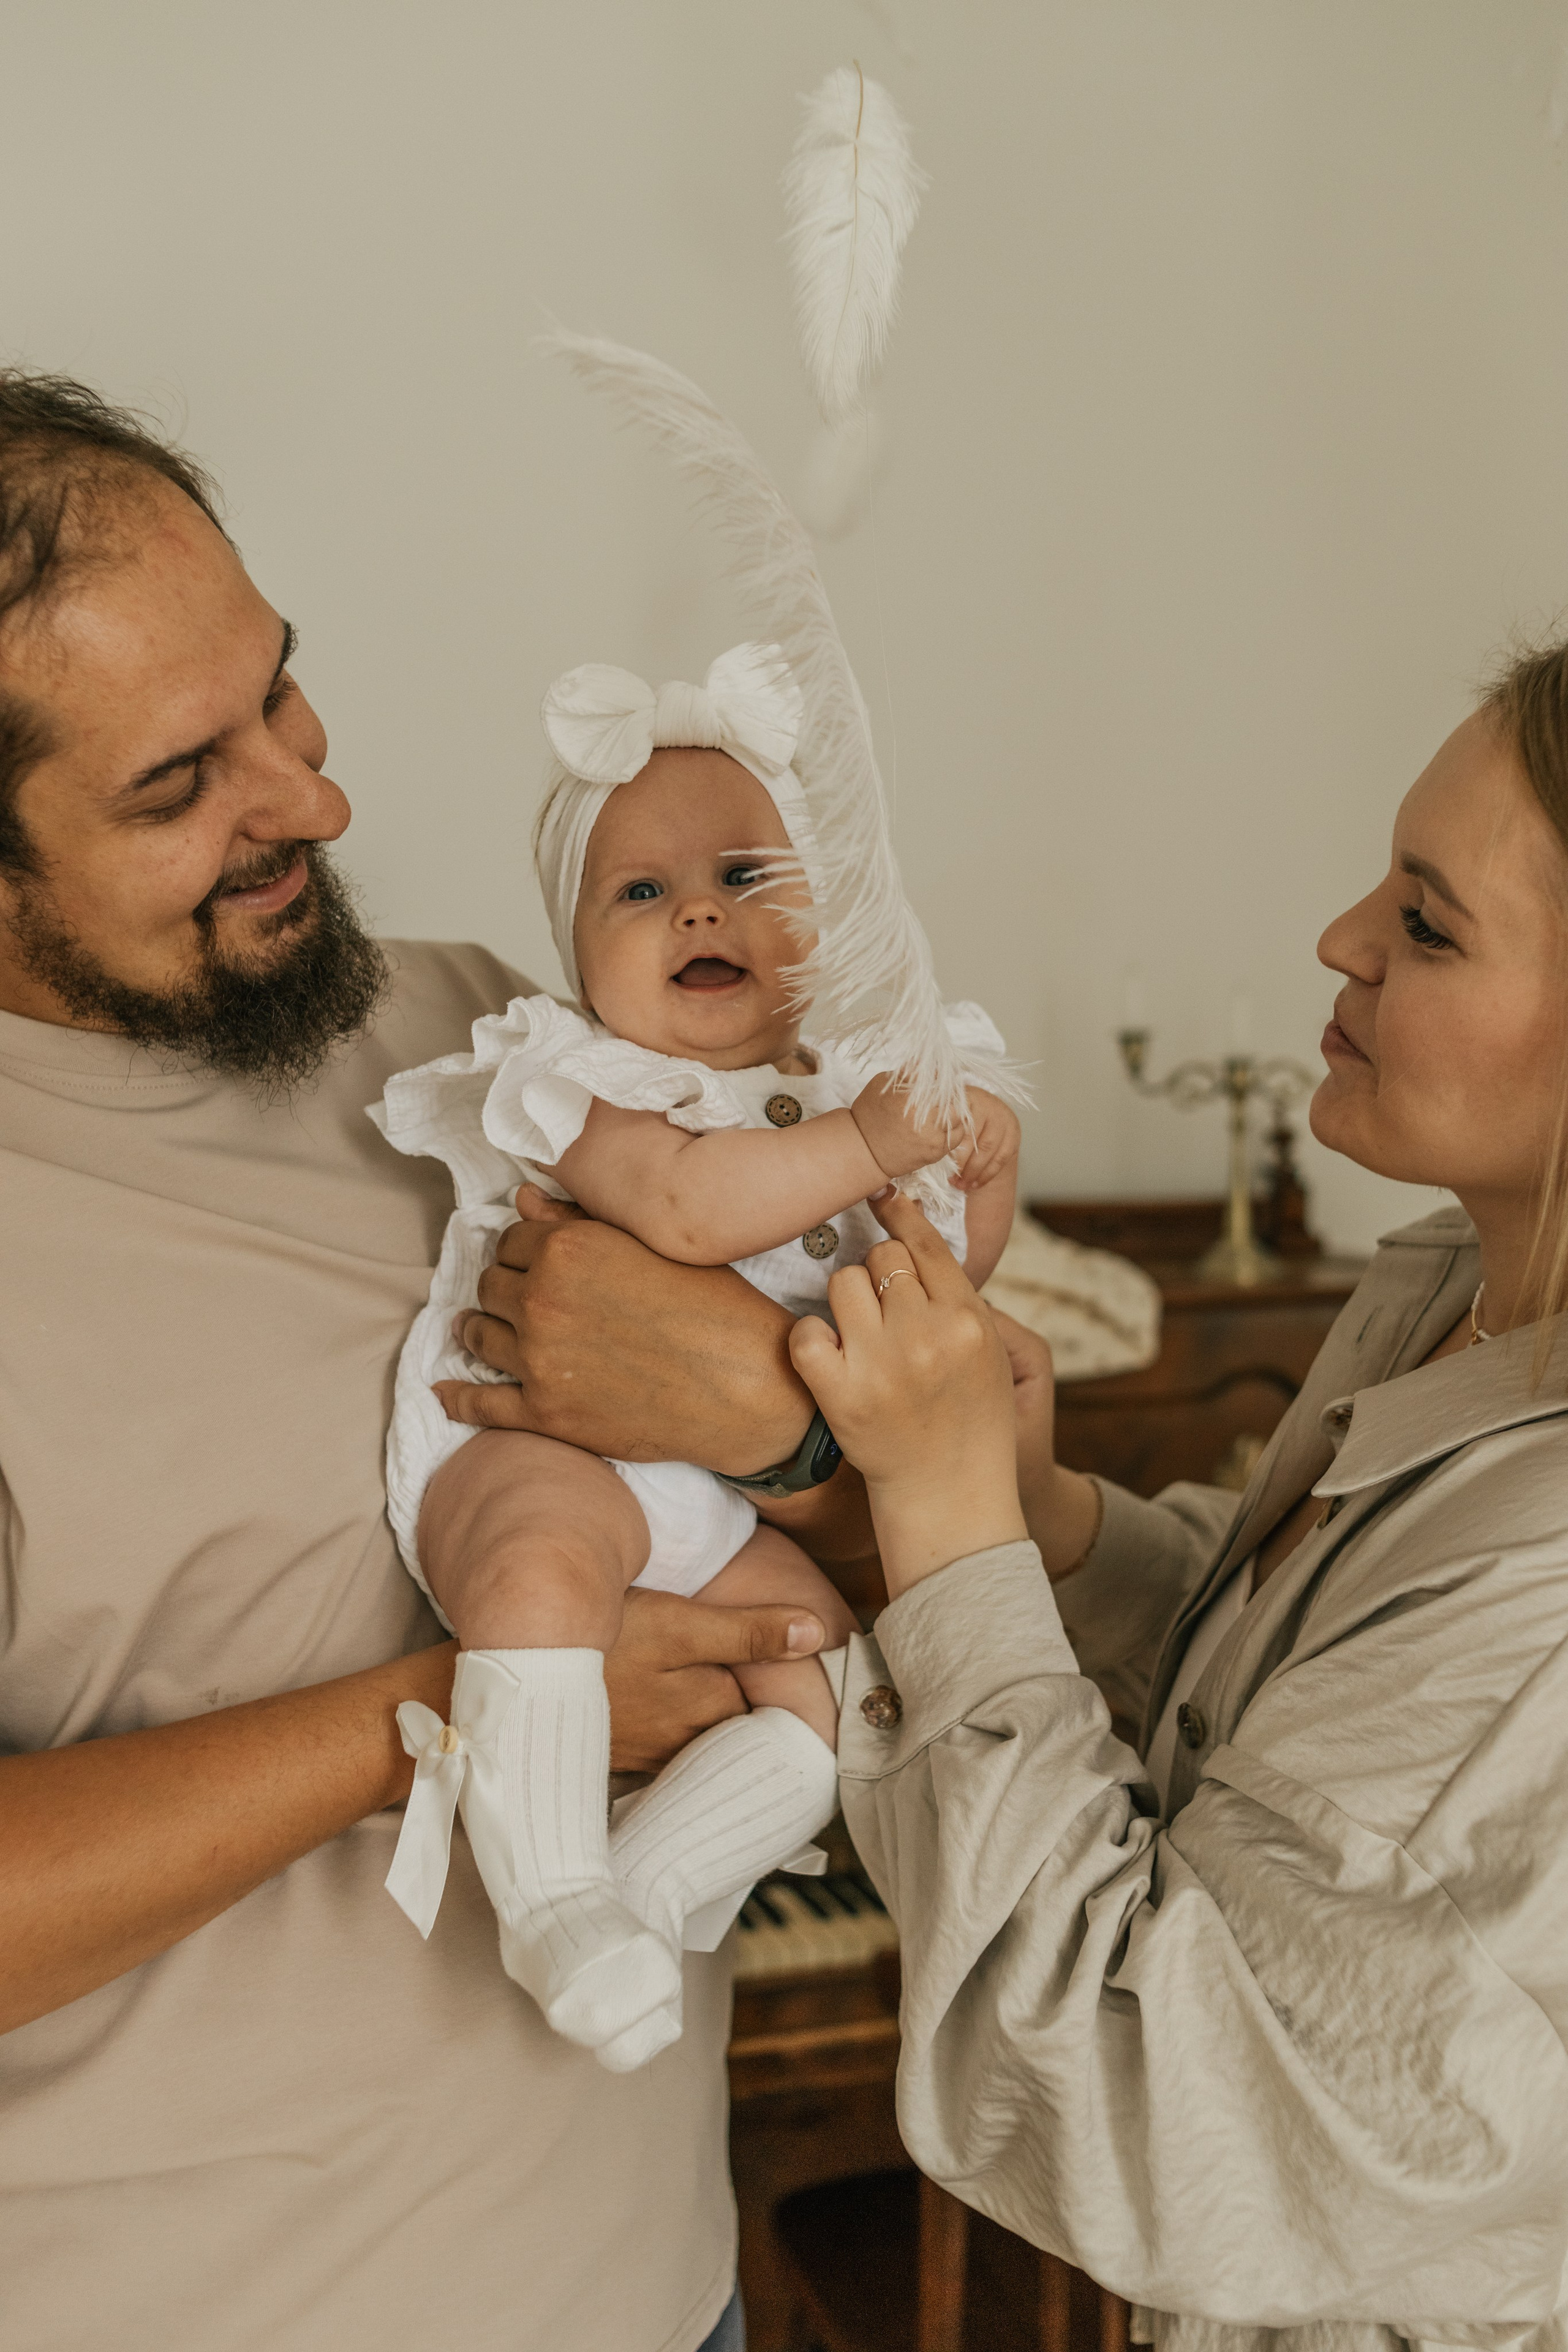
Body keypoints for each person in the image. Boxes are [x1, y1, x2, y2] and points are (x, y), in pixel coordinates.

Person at [0, 372, 892, 2352]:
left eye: (282, 696)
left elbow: (918, 1537)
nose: (311, 797)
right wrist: (465, 1707)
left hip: (661, 2305)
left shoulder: (489, 1039)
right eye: (179, 787)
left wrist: (779, 1429)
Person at [768, 649, 1568, 2350]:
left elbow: (1133, 2097)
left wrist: (949, 1523)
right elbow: (1307, 1679)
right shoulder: (1455, 1287)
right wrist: (1054, 1520)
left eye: (1428, 926)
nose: (1339, 938)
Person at [372, 642, 1017, 2070]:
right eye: (641, 893)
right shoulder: (589, 1082)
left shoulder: (847, 1087)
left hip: (721, 1499)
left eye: (745, 877)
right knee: (537, 1578)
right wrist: (873, 1143)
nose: (697, 913)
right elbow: (682, 1206)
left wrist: (975, 1170)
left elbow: (931, 1287)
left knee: (824, 1665)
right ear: (578, 950)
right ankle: (541, 1893)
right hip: (539, 1446)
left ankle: (645, 1893)